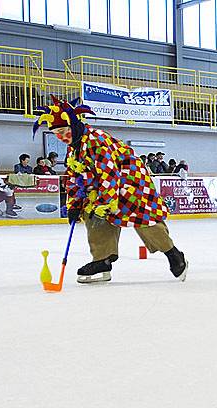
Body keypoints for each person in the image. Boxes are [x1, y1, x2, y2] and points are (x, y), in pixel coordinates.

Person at [33, 95, 187, 282]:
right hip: (103, 184)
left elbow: (110, 174)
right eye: (57, 134)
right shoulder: (74, 148)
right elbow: (74, 176)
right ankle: (102, 261)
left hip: (131, 181)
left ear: (74, 126)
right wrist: (74, 204)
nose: (62, 137)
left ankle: (174, 255)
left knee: (142, 217)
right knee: (93, 214)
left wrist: (104, 203)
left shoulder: (96, 140)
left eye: (64, 131)